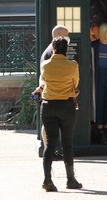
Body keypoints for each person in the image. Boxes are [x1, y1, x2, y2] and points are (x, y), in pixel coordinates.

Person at [40, 37, 82, 191]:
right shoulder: (72, 65)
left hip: (48, 105)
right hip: (66, 106)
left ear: (53, 48)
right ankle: (70, 180)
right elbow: (75, 83)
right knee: (67, 143)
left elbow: (44, 80)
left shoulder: (45, 65)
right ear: (67, 49)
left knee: (50, 144)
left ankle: (47, 180)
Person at [33, 25, 69, 159]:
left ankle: (49, 148)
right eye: (66, 34)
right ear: (59, 35)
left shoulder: (49, 50)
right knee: (48, 125)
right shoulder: (51, 52)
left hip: (47, 91)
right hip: (50, 92)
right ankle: (49, 149)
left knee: (48, 124)